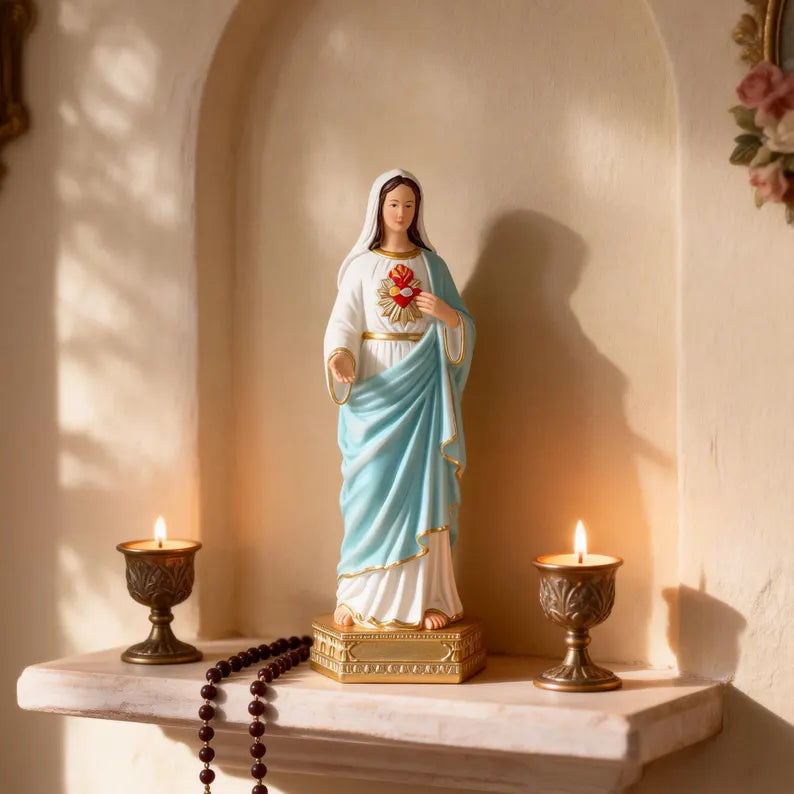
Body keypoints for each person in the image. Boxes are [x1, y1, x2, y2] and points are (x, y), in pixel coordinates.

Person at [324, 169, 475, 630]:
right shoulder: (361, 267)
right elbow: (343, 323)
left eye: (409, 205)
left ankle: (429, 599)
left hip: (423, 387)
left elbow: (463, 326)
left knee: (423, 489)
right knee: (367, 491)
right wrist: (340, 355)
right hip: (374, 387)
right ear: (379, 208)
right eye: (394, 205)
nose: (401, 213)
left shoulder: (433, 266)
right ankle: (357, 594)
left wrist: (449, 316)